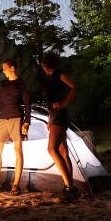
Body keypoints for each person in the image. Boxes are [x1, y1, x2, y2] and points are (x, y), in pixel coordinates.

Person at [40, 51, 79, 200]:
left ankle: (70, 187)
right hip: (54, 115)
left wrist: (64, 103)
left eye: (43, 63)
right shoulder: (50, 78)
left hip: (60, 115)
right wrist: (49, 119)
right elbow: (50, 102)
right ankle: (70, 186)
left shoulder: (58, 74)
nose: (42, 66)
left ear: (48, 64)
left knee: (52, 149)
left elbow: (74, 87)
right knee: (62, 150)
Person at [0, 59, 30, 195]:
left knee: (18, 150)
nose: (3, 71)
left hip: (16, 119)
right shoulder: (2, 84)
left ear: (12, 68)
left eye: (5, 68)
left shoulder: (21, 84)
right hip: (3, 120)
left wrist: (27, 121)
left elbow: (27, 104)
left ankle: (16, 185)